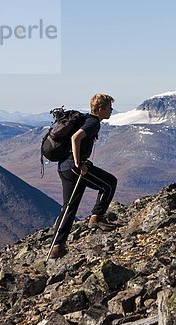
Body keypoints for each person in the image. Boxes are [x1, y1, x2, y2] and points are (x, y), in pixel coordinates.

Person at [49, 93, 118, 259]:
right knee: (109, 183)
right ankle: (97, 217)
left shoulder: (86, 119)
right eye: (109, 108)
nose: (111, 111)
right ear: (100, 109)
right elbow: (75, 138)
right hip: (74, 168)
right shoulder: (93, 122)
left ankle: (57, 246)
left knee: (69, 206)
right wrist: (79, 163)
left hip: (64, 168)